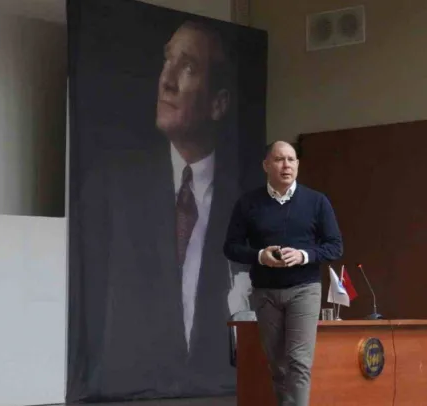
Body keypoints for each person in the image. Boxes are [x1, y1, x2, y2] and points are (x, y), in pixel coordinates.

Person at [68, 19, 250, 401]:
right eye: (167, 61)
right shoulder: (110, 188)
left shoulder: (247, 206)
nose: (166, 80)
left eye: (188, 67)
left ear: (218, 103)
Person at [223, 141, 343, 406]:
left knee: (299, 361)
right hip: (265, 292)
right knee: (278, 365)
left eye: (291, 159)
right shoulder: (248, 203)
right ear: (266, 165)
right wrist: (260, 255)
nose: (286, 165)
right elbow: (230, 247)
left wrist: (303, 255)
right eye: (279, 159)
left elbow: (335, 246)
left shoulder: (316, 201)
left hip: (304, 289)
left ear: (298, 165)